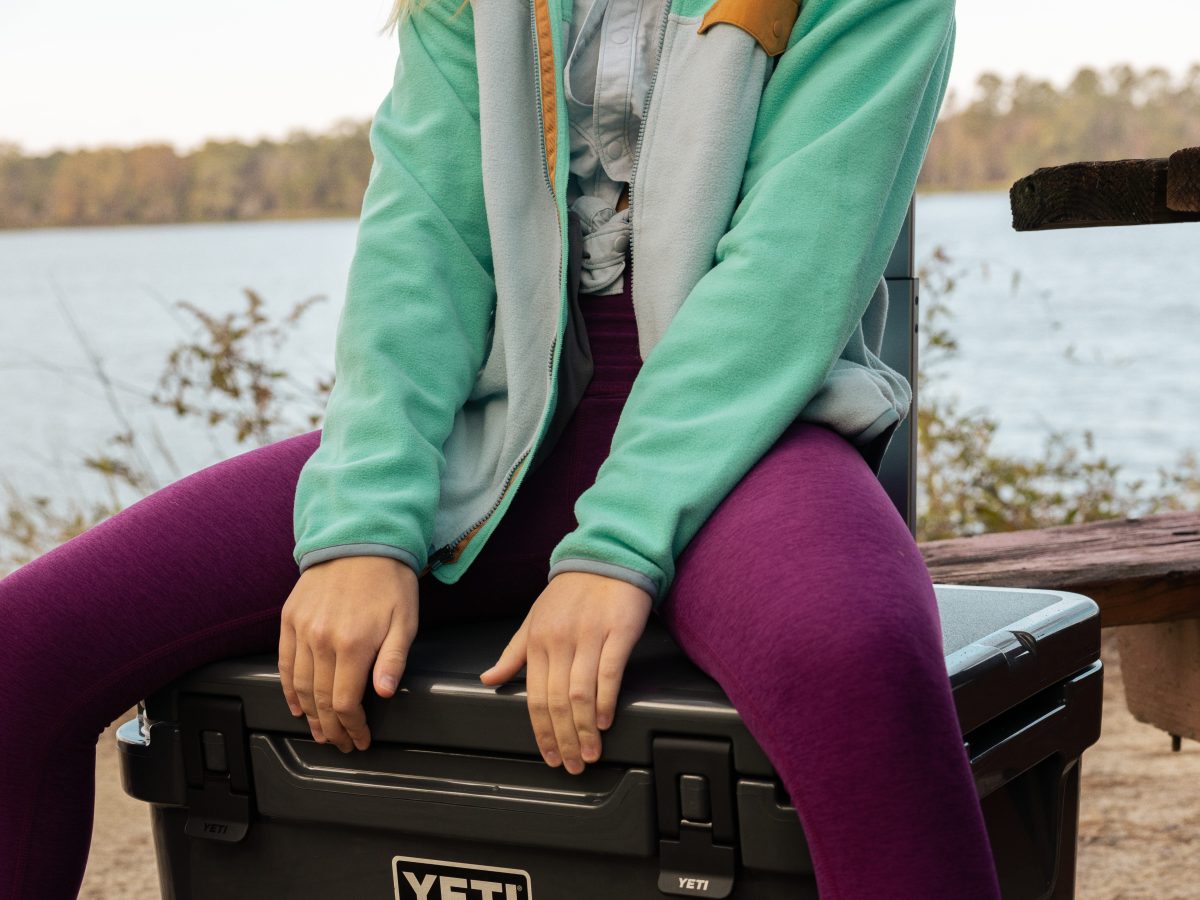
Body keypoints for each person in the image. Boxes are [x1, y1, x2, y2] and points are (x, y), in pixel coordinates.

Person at [0, 0, 1003, 896]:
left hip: (744, 433)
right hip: (497, 429)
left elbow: (785, 281)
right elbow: (423, 246)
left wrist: (616, 549)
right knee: (24, 647)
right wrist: (361, 526)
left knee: (856, 654)